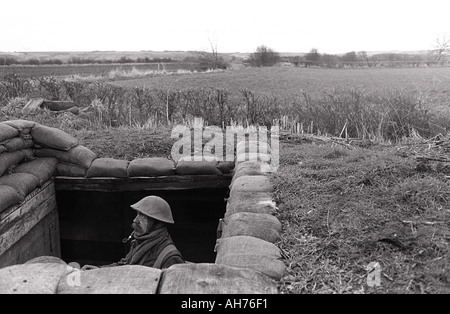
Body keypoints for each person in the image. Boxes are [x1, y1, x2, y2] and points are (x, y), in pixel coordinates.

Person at [82, 196, 184, 270]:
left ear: (158, 223)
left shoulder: (170, 256)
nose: (135, 220)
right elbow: (124, 267)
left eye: (143, 216)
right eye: (137, 214)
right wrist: (99, 270)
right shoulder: (139, 243)